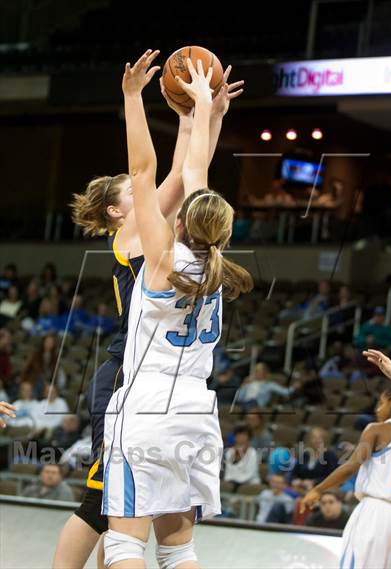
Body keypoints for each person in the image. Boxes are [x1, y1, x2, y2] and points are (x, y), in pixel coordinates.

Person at [53, 48, 243, 569]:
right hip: (175, 392)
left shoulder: (159, 248)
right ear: (118, 212)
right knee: (124, 516)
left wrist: (188, 114)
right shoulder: (168, 248)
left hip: (143, 384)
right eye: (134, 195)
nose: (153, 196)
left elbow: (167, 172)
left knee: (117, 521)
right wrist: (202, 112)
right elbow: (191, 176)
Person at [301, 384, 391, 568]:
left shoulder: (378, 429)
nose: (377, 409)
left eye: (381, 403)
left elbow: (351, 466)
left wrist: (318, 489)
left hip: (375, 511)